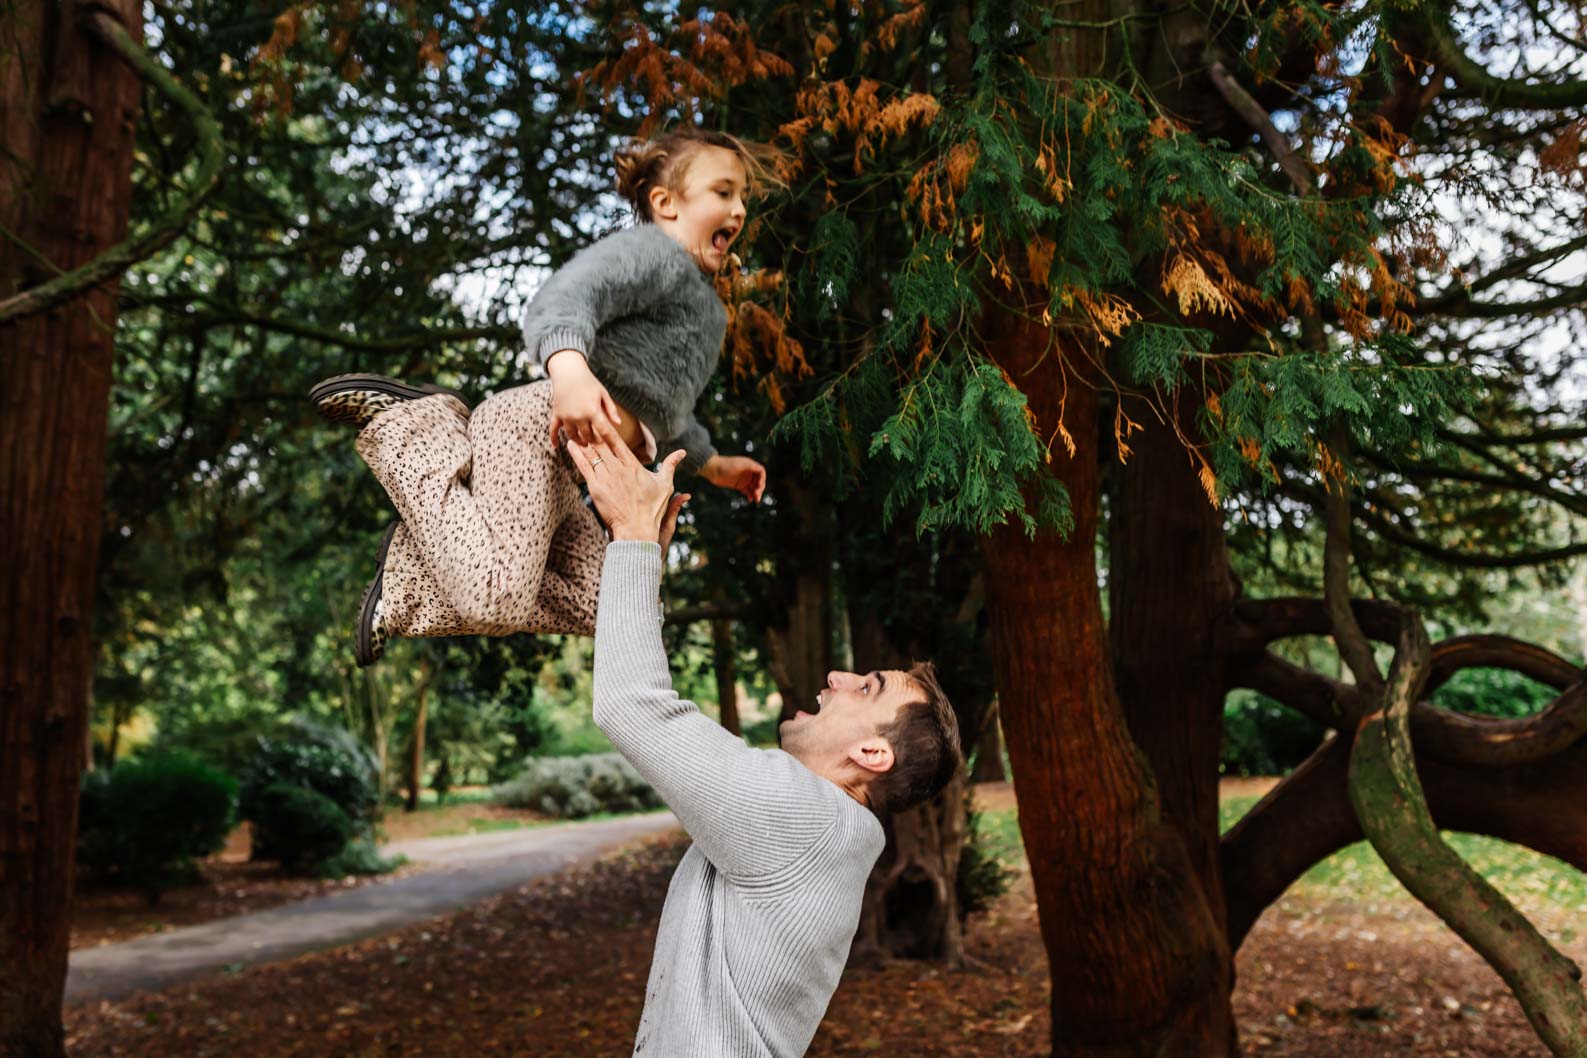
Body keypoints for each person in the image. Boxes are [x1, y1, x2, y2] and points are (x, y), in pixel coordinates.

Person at [568, 418, 963, 1058]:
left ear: (872, 754)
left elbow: (632, 707)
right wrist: (643, 561)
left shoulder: (805, 821)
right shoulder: (828, 837)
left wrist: (635, 537)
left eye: (866, 688)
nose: (837, 676)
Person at [307, 127, 776, 664]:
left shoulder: (705, 312)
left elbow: (665, 413)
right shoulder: (652, 253)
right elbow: (568, 296)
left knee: (615, 607)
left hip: (568, 471)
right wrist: (569, 369)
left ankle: (413, 575)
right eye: (723, 192)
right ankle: (415, 430)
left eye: (743, 196)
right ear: (666, 204)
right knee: (497, 602)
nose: (738, 209)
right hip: (530, 429)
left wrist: (714, 465)